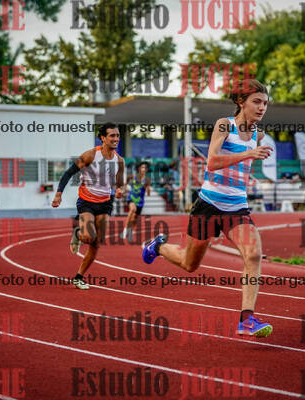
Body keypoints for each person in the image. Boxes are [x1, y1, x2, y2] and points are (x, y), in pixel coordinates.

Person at [142, 79, 274, 337]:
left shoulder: (258, 134)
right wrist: (248, 154)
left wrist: (248, 167)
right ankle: (157, 247)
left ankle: (247, 319)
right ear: (241, 102)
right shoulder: (225, 125)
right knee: (189, 264)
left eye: (265, 103)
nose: (262, 108)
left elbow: (242, 167)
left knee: (254, 254)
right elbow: (212, 162)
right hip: (209, 205)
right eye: (257, 102)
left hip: (237, 208)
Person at [52, 123, 125, 290]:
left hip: (105, 203)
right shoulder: (90, 155)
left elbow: (119, 181)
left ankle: (79, 277)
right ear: (103, 138)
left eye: (117, 136)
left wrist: (120, 189)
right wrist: (58, 194)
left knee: (96, 243)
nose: (116, 139)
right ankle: (77, 233)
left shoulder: (119, 161)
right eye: (112, 136)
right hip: (87, 201)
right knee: (88, 237)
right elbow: (68, 173)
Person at [121, 162, 151, 242]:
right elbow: (127, 179)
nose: (143, 169)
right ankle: (125, 229)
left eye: (145, 168)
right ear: (139, 169)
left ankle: (131, 231)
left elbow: (148, 194)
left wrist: (148, 188)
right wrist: (125, 188)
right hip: (131, 198)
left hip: (140, 201)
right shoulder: (133, 176)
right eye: (142, 167)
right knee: (132, 209)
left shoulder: (147, 180)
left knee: (134, 219)